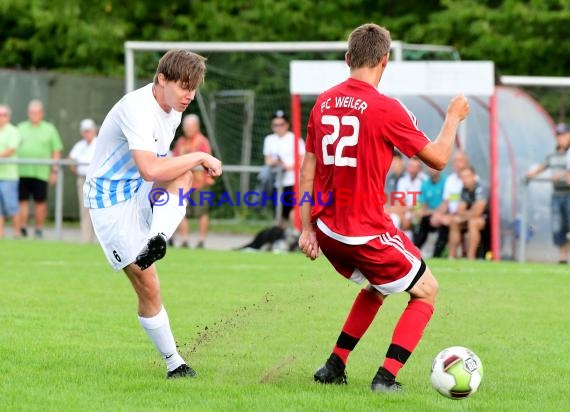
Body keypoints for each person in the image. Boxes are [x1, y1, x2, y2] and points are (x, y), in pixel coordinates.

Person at [298, 23, 469, 393]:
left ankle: (334, 366)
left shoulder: (323, 101)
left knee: (378, 287)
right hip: (364, 230)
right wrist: (453, 116)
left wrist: (306, 227)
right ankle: (386, 378)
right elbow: (439, 158)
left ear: (348, 59)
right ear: (384, 61)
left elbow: (307, 167)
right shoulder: (387, 108)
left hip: (327, 229)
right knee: (426, 289)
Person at [84, 49, 222, 379]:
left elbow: (159, 169)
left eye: (194, 87)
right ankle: (175, 363)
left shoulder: (173, 109)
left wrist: (189, 163)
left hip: (137, 190)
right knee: (148, 285)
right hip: (110, 201)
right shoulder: (137, 108)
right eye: (184, 86)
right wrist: (200, 154)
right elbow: (149, 169)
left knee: (183, 175)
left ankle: (157, 236)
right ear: (161, 79)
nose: (190, 95)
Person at [17, 100, 63, 238]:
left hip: (41, 172)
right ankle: (22, 228)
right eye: (32, 112)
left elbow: (56, 150)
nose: (34, 115)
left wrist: (54, 171)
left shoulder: (49, 129)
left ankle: (38, 229)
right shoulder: (20, 127)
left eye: (37, 112)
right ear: (28, 113)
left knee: (40, 201)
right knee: (22, 200)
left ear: (42, 113)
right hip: (22, 171)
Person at [525, 122, 570, 264]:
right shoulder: (553, 155)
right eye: (558, 135)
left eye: (563, 134)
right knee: (558, 226)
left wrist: (562, 175)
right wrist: (529, 175)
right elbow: (542, 166)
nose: (560, 138)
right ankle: (563, 257)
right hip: (557, 195)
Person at [171, 114, 214, 248]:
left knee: (202, 212)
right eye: (185, 126)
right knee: (181, 211)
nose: (188, 129)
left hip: (201, 183)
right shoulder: (180, 142)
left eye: (190, 126)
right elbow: (174, 160)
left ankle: (201, 241)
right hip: (182, 183)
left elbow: (207, 161)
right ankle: (184, 240)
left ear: (197, 127)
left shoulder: (202, 142)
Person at [262, 110, 305, 228]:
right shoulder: (269, 139)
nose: (278, 127)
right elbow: (267, 160)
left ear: (286, 125)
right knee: (279, 213)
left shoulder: (295, 139)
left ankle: (297, 235)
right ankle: (283, 238)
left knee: (293, 210)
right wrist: (275, 163)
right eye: (276, 125)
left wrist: (288, 166)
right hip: (277, 181)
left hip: (292, 181)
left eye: (281, 124)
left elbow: (303, 160)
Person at [448, 166, 489, 260]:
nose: (464, 179)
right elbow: (460, 209)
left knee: (473, 223)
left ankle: (471, 257)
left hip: (487, 219)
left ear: (474, 176)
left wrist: (465, 215)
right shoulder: (464, 189)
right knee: (454, 221)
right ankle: (452, 256)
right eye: (462, 177)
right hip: (471, 217)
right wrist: (467, 214)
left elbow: (478, 212)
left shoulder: (481, 187)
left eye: (467, 176)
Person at [68, 118, 98, 244]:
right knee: (85, 209)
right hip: (83, 179)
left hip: (97, 180)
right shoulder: (79, 146)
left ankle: (101, 241)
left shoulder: (100, 143)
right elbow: (71, 160)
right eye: (85, 131)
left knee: (99, 209)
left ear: (94, 130)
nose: (87, 133)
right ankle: (86, 239)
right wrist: (78, 171)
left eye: (89, 131)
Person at [413, 166, 447, 257]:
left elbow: (447, 202)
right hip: (431, 215)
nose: (432, 169)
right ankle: (414, 252)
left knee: (444, 225)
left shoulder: (446, 181)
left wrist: (438, 214)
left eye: (434, 167)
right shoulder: (425, 184)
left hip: (444, 214)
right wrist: (430, 213)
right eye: (430, 167)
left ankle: (436, 255)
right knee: (423, 221)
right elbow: (422, 206)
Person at [0, 104, 22, 238]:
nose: (1, 118)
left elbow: (11, 149)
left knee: (12, 206)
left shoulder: (13, 131)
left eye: (4, 115)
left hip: (9, 176)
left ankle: (17, 234)